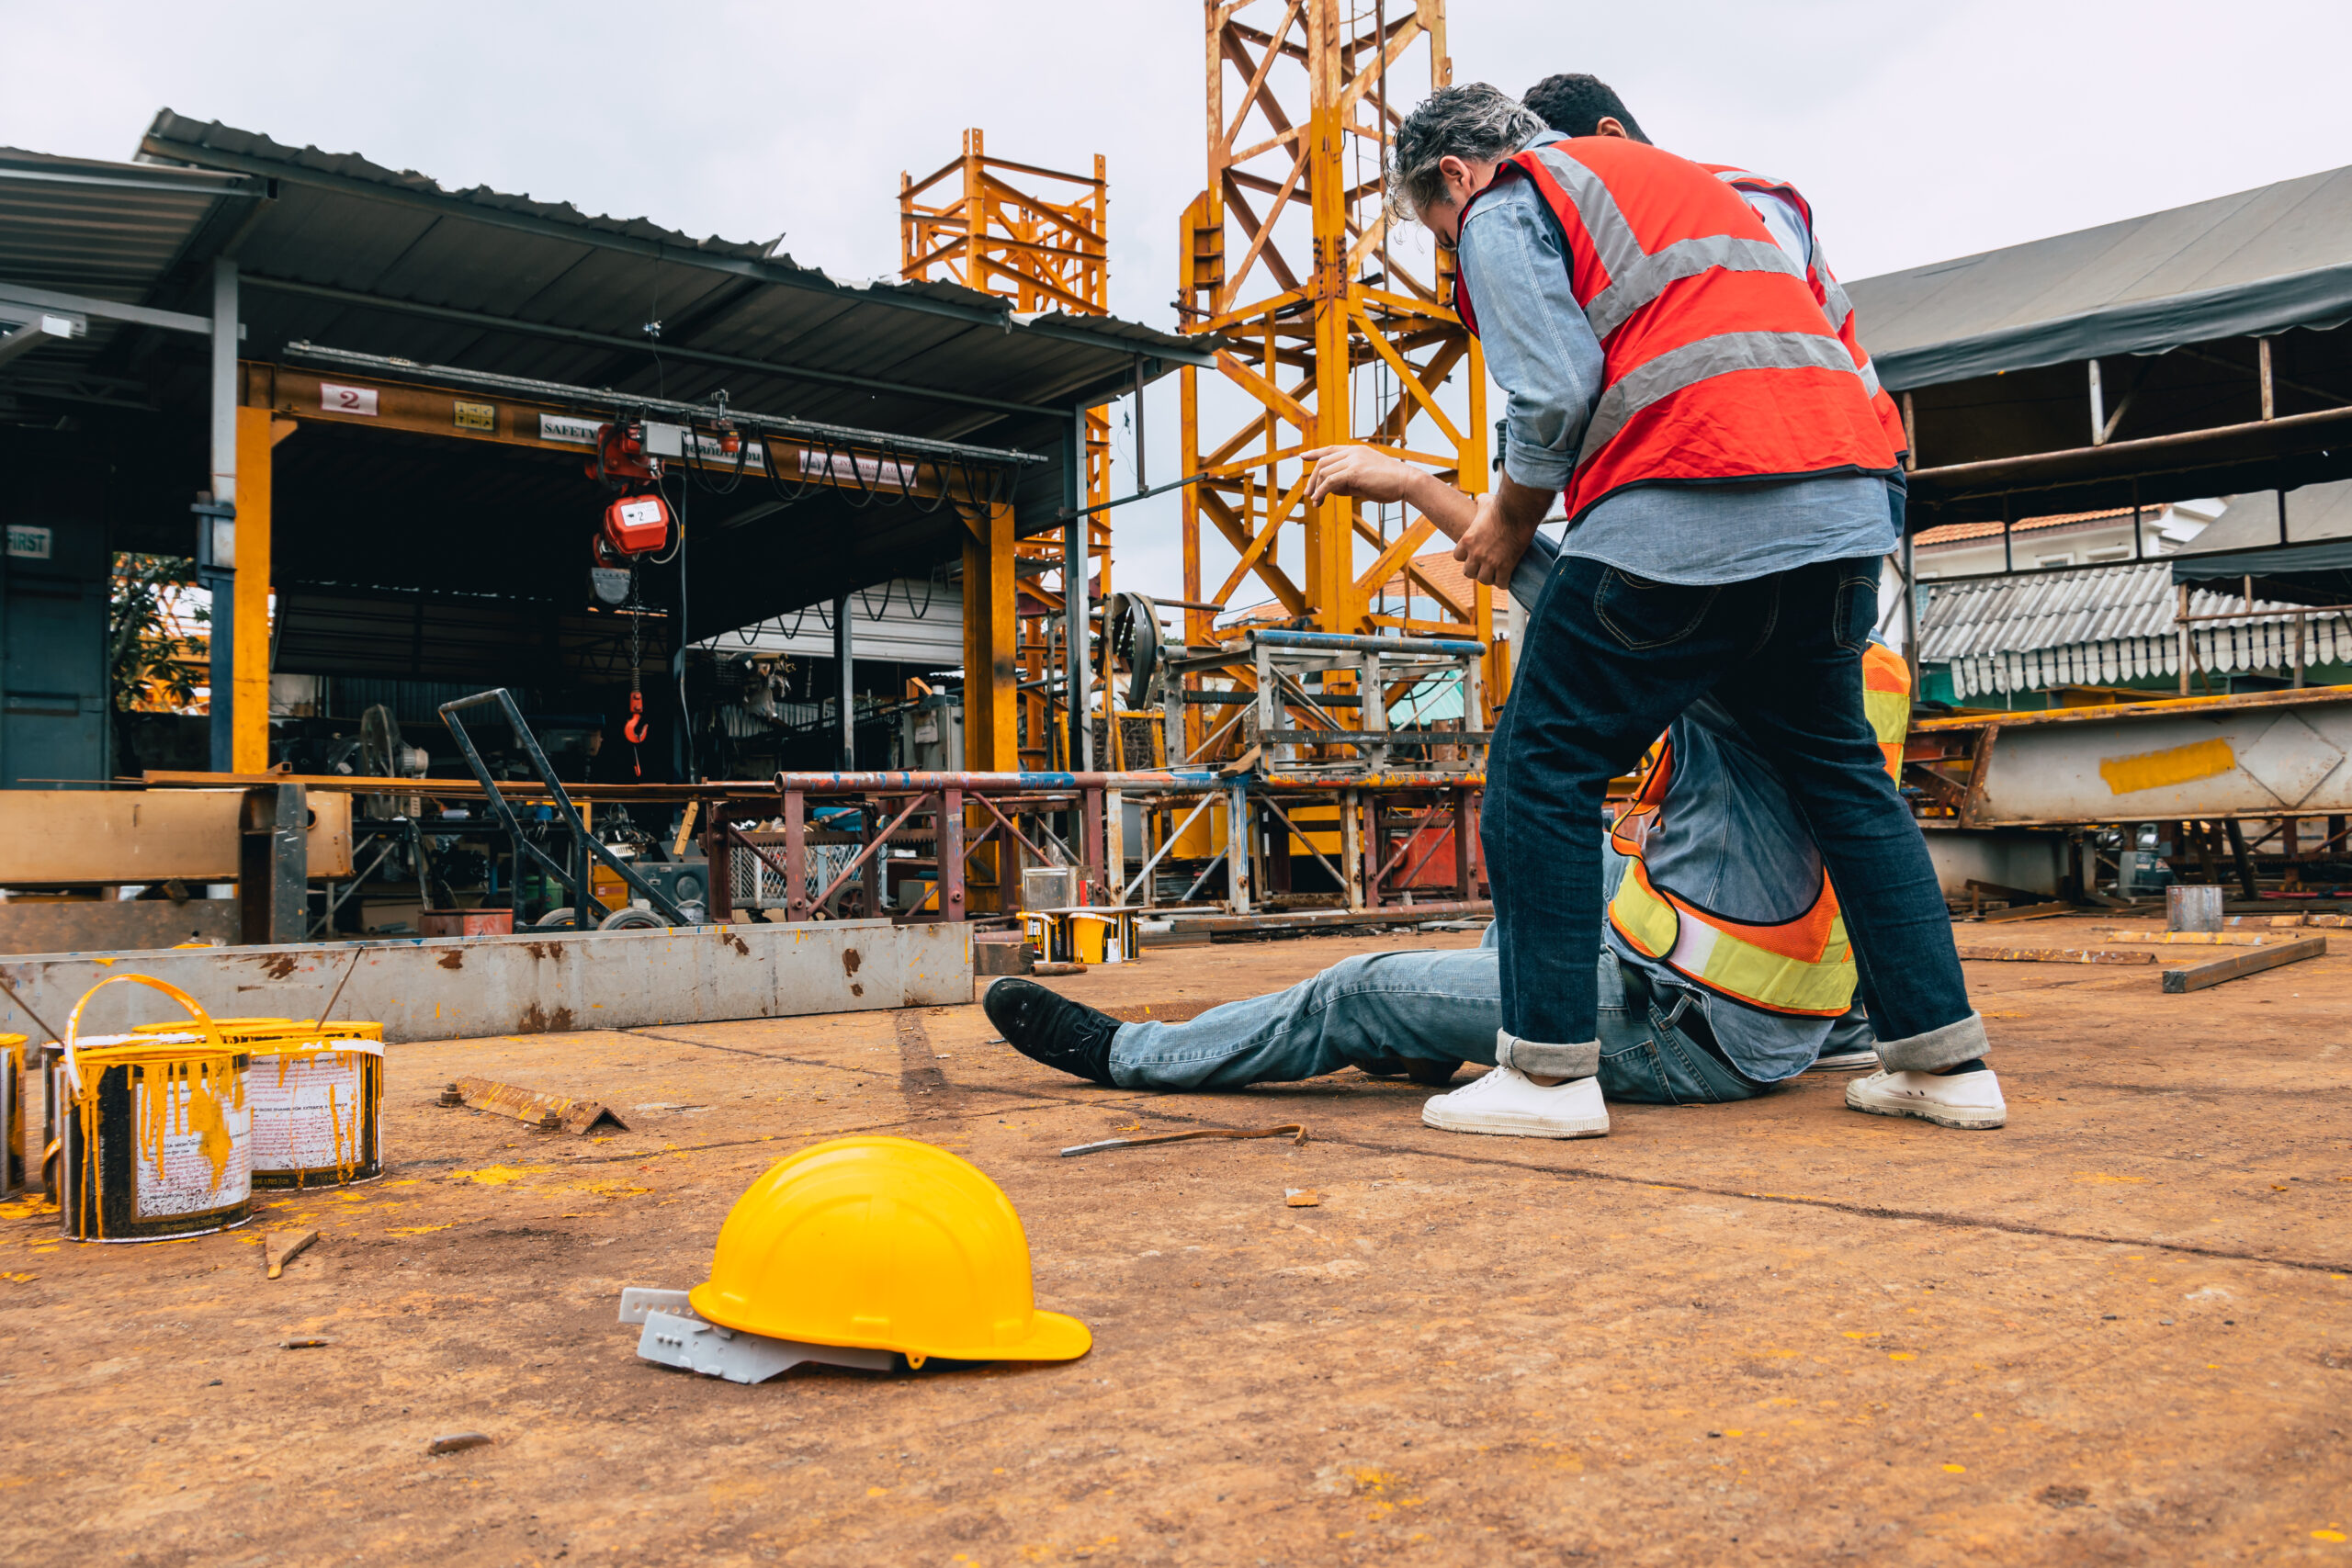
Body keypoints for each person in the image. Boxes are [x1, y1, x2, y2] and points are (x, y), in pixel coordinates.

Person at [1293, 78, 2000, 1134]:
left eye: (1440, 230)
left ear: (1453, 173)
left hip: (1693, 493)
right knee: (1844, 781)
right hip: (1850, 504)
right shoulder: (1721, 189)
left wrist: (1508, 518)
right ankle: (1945, 1068)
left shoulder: (1509, 197)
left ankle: (1545, 1078)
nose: (1454, 249)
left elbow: (1551, 394)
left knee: (1542, 771)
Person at [979, 523, 1991, 1135]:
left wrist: (1423, 492)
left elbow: (1557, 588)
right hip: (1793, 1020)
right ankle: (1445, 1038)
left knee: (1360, 988)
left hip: (1690, 1034)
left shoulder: (1730, 655)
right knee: (1576, 855)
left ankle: (1136, 1054)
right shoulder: (1849, 669)